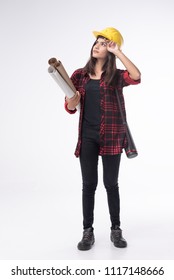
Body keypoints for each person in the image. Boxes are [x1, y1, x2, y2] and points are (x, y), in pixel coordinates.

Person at [65, 27, 141, 251]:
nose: (97, 45)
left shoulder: (116, 76)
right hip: (87, 136)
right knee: (89, 185)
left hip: (112, 136)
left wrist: (118, 52)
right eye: (96, 42)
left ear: (110, 50)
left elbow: (136, 76)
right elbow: (69, 107)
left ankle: (115, 229)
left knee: (111, 184)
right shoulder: (79, 74)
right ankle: (87, 232)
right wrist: (74, 98)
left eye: (103, 43)